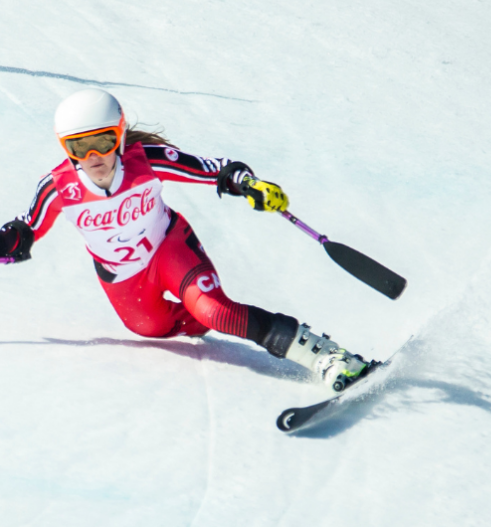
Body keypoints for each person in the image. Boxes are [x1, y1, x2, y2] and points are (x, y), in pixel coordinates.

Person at [0, 88, 370, 391]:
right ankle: (199, 312)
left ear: (120, 133)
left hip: (169, 248)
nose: (94, 156)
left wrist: (247, 184)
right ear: (66, 148)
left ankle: (330, 358)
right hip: (122, 276)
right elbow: (27, 227)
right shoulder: (58, 187)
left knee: (216, 311)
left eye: (103, 141)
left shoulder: (147, 161)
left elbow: (214, 169)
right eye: (80, 147)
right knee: (150, 328)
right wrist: (8, 242)